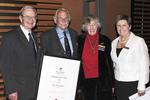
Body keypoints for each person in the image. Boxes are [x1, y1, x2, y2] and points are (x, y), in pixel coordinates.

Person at [0, 6, 41, 100]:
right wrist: (11, 90)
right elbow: (5, 66)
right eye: (27, 16)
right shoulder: (9, 37)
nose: (31, 19)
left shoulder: (34, 37)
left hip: (34, 90)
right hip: (18, 92)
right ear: (20, 18)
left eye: (34, 17)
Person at [111, 15, 150, 100]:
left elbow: (144, 65)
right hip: (119, 83)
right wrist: (113, 83)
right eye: (118, 25)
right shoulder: (114, 42)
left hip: (133, 84)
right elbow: (115, 64)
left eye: (124, 25)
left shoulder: (138, 41)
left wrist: (141, 85)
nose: (121, 28)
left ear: (130, 26)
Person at [78, 15, 114, 100]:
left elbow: (109, 62)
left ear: (98, 26)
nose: (91, 27)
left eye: (94, 24)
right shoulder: (79, 40)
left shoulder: (105, 41)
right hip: (85, 82)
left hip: (101, 82)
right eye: (89, 25)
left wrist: (112, 83)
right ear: (85, 27)